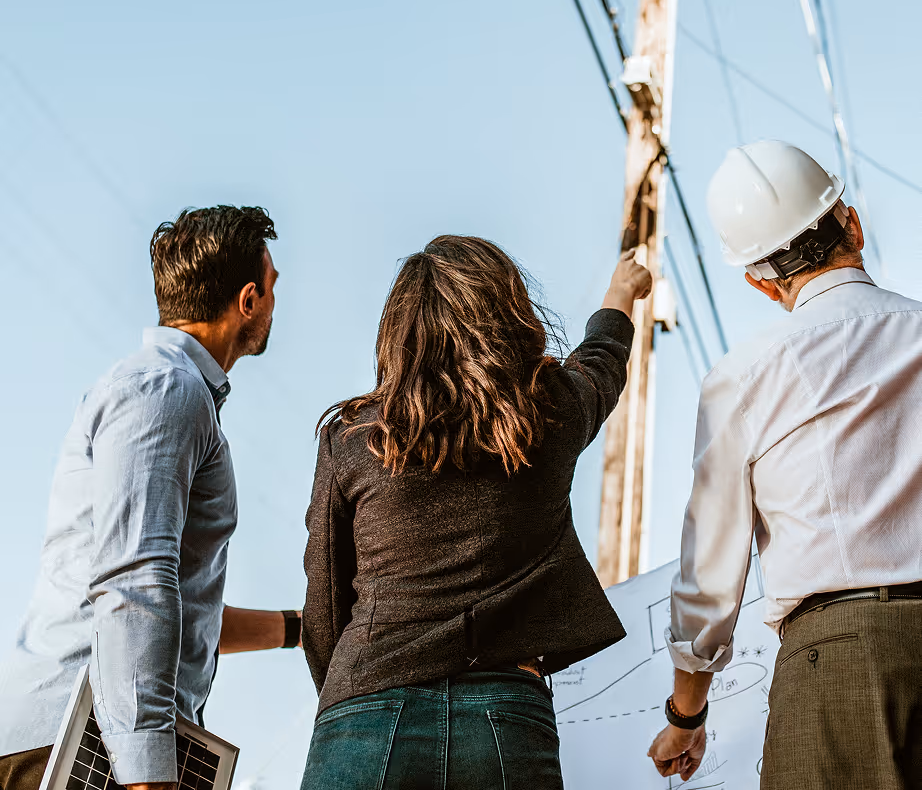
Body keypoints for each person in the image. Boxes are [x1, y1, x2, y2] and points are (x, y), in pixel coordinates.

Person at [300, 235, 652, 790]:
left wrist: (350, 693)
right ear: (509, 314)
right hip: (503, 717)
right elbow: (602, 360)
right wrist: (621, 291)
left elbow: (324, 602)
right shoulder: (550, 413)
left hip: (366, 712)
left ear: (399, 334)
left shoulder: (351, 440)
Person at [0, 206, 305, 790]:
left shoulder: (165, 389)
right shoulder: (167, 388)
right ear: (248, 300)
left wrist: (300, 628)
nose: (273, 301)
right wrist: (147, 773)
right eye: (272, 286)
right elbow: (135, 580)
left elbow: (179, 612)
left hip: (86, 735)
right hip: (79, 742)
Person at [647, 141, 922, 788]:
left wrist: (685, 714)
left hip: (841, 668)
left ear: (759, 282)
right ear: (851, 224)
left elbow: (710, 579)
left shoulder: (742, 378)